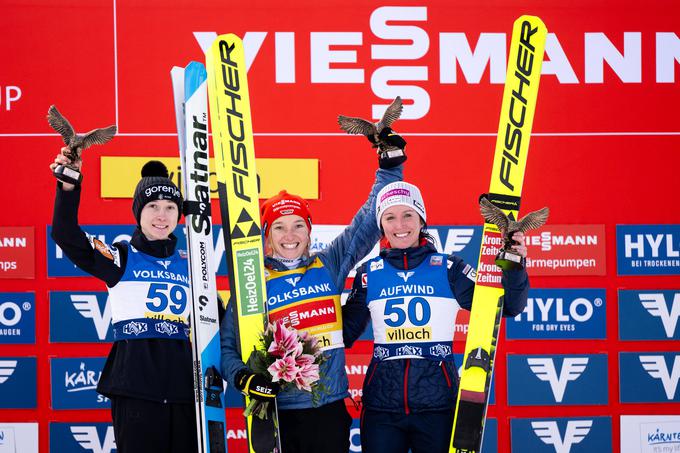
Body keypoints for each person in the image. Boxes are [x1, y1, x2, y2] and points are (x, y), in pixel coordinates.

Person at [220, 128, 407, 453]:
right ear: (267, 235)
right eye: (279, 226)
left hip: (328, 409)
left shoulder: (328, 263)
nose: (289, 234)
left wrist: (390, 168)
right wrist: (245, 379)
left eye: (298, 225)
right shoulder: (252, 280)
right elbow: (226, 349)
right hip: (277, 416)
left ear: (309, 231)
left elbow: (367, 222)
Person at [342, 182, 530, 453]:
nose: (400, 225)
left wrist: (514, 264)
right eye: (390, 217)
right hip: (382, 408)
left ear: (422, 220)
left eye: (408, 215)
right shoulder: (369, 273)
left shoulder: (449, 269)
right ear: (381, 225)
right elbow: (345, 332)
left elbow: (509, 306)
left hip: (437, 406)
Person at [50, 149, 197, 453]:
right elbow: (66, 235)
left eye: (171, 207)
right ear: (138, 211)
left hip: (184, 390)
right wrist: (69, 185)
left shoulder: (194, 263)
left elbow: (216, 318)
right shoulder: (122, 256)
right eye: (153, 206)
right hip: (136, 390)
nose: (162, 215)